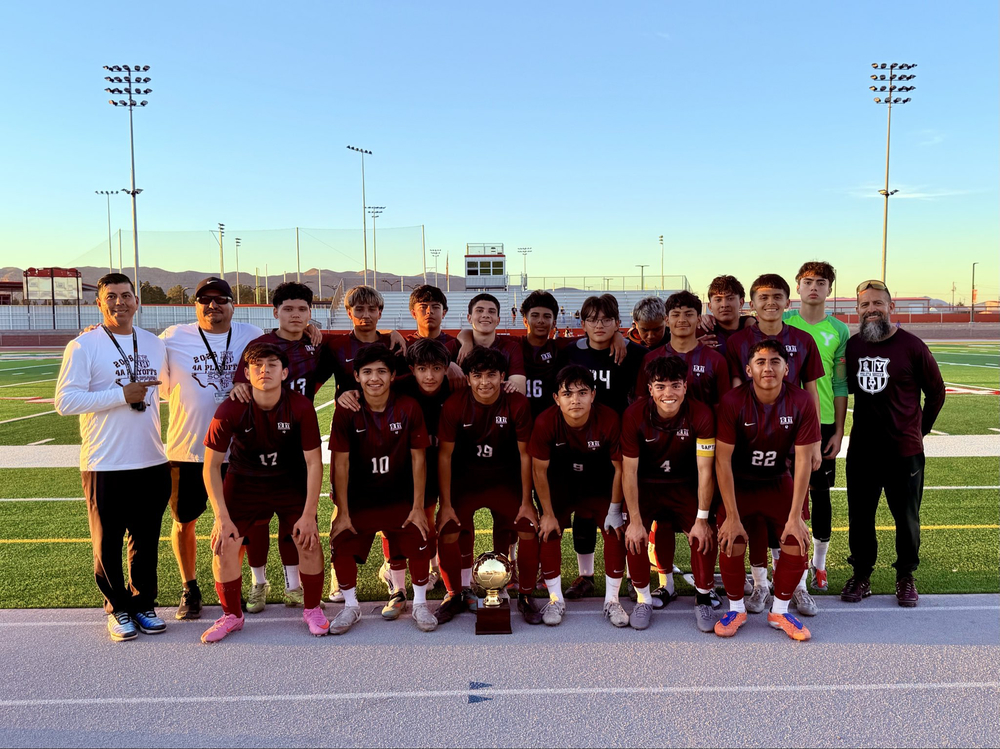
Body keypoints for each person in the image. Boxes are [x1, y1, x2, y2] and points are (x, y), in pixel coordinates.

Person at [55, 273, 171, 642]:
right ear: (99, 303)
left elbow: (169, 387)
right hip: (105, 462)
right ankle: (117, 608)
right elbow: (65, 401)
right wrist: (122, 394)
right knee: (107, 542)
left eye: (126, 295)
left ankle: (143, 604)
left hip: (152, 458)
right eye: (111, 296)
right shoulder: (84, 345)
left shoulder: (154, 343)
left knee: (146, 540)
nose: (120, 302)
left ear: (137, 302)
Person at [201, 343, 328, 642]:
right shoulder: (230, 408)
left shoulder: (299, 406)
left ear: (284, 372)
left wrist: (310, 514)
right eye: (257, 365)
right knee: (225, 543)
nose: (264, 370)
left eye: (272, 365)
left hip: (288, 479)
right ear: (246, 373)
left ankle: (312, 609)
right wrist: (221, 517)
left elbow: (313, 462)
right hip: (244, 481)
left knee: (308, 540)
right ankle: (231, 615)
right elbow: (210, 467)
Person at [158, 277, 264, 621]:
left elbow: (295, 339)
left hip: (239, 451)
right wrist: (97, 332)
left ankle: (233, 584)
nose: (212, 305)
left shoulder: (253, 334)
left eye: (221, 299)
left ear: (234, 304)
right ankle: (189, 586)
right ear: (196, 305)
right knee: (183, 521)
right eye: (205, 300)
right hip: (187, 448)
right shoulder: (173, 337)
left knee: (237, 525)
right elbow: (135, 351)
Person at [724, 273, 825, 616]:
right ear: (752, 304)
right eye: (763, 297)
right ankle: (761, 585)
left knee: (792, 517)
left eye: (777, 297)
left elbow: (810, 389)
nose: (770, 303)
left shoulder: (803, 339)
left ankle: (796, 586)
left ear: (788, 302)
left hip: (792, 434)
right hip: (752, 436)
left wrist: (816, 439)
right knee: (753, 522)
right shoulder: (738, 341)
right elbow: (738, 388)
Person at [842, 280, 945, 607]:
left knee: (907, 518)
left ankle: (905, 576)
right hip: (863, 451)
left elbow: (937, 393)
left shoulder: (912, 346)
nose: (871, 309)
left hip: (904, 451)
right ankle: (861, 575)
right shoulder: (854, 347)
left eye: (877, 304)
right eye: (864, 305)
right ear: (857, 311)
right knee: (860, 517)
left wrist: (920, 430)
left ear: (890, 308)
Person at [232, 282, 334, 610]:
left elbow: (358, 345)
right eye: (288, 309)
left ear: (310, 314)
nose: (295, 315)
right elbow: (240, 386)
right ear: (275, 312)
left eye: (303, 309)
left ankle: (294, 586)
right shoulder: (261, 346)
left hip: (298, 446)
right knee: (257, 523)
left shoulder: (317, 345)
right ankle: (258, 582)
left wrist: (390, 334)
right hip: (258, 445)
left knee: (295, 523)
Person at [714, 340, 821, 641]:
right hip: (742, 482)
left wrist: (796, 514)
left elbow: (802, 461)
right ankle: (736, 608)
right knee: (730, 537)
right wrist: (732, 515)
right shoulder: (734, 401)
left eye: (775, 361)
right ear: (749, 369)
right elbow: (722, 461)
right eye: (760, 362)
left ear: (787, 369)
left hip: (778, 479)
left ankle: (780, 611)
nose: (768, 368)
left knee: (796, 538)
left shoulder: (801, 401)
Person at [328, 344, 436, 634]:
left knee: (420, 537)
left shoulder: (408, 407)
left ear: (392, 375)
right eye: (367, 372)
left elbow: (418, 460)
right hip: (361, 498)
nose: (374, 378)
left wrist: (417, 506)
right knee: (341, 541)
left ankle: (420, 603)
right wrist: (342, 510)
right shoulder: (346, 410)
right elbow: (340, 463)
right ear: (356, 376)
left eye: (381, 372)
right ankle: (351, 606)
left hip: (399, 494)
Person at [633, 290, 730, 606]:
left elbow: (725, 407)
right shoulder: (651, 359)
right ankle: (666, 584)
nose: (682, 320)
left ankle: (706, 586)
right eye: (675, 314)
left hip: (702, 450)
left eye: (689, 313)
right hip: (660, 452)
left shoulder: (714, 358)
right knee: (660, 521)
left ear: (697, 317)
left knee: (705, 521)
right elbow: (641, 406)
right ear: (667, 320)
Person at [435, 346, 542, 626]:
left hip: (504, 479)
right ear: (468, 378)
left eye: (491, 375)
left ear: (502, 376)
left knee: (528, 528)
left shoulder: (517, 403)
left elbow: (525, 454)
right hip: (466, 479)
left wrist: (527, 501)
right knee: (448, 528)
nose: (485, 382)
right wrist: (445, 504)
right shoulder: (455, 404)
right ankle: (453, 593)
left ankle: (526, 595)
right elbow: (444, 456)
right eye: (477, 375)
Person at [558, 293, 646, 599]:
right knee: (584, 513)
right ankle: (586, 576)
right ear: (582, 323)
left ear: (618, 323)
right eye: (593, 319)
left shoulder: (632, 354)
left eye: (607, 319)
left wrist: (623, 339)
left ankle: (634, 580)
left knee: (620, 515)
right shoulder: (570, 352)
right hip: (579, 443)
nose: (599, 325)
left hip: (619, 443)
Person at [621, 356, 718, 632]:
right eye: (660, 386)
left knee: (704, 534)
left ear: (686, 387)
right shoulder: (634, 415)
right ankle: (643, 598)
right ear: (650, 389)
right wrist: (636, 521)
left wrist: (701, 518)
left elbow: (705, 470)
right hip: (647, 485)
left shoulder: (701, 414)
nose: (668, 393)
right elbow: (629, 472)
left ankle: (702, 598)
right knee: (634, 535)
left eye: (675, 385)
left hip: (685, 483)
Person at [529, 365, 627, 627]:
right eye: (568, 393)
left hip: (599, 485)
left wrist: (615, 508)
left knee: (616, 531)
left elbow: (620, 469)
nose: (575, 400)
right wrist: (548, 514)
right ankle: (555, 599)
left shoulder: (609, 419)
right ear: (556, 398)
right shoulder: (545, 422)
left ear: (593, 395)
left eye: (582, 392)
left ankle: (612, 601)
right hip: (560, 487)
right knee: (548, 531)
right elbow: (538, 470)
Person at [783, 262, 851, 593]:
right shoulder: (782, 322)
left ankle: (819, 565)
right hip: (783, 420)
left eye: (820, 282)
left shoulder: (839, 330)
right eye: (807, 281)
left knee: (820, 495)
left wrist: (838, 430)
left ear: (829, 289)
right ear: (797, 287)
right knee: (782, 493)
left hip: (821, 423)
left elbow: (840, 385)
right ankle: (780, 564)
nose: (813, 287)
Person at [700, 275, 755, 357]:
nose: (724, 305)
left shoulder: (754, 330)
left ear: (741, 302)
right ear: (710, 306)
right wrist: (693, 349)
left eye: (730, 298)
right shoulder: (702, 333)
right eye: (718, 300)